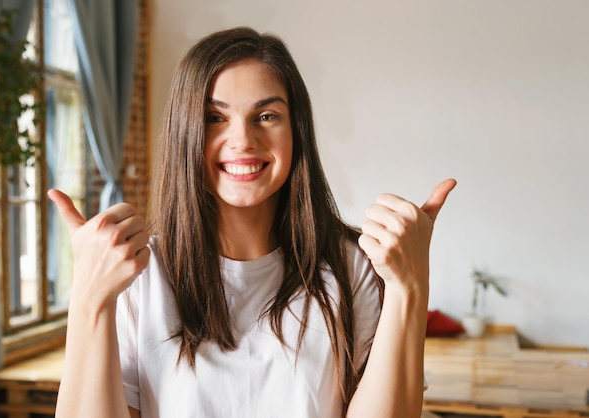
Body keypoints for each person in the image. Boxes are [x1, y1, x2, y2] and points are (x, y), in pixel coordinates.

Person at [49, 26, 456, 418]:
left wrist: (410, 287)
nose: (242, 140)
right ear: (184, 132)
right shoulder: (138, 276)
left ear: (295, 130)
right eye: (214, 117)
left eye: (266, 116)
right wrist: (90, 298)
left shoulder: (352, 270)